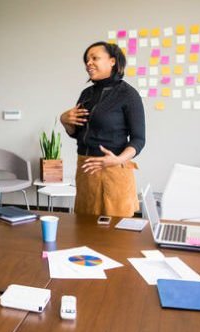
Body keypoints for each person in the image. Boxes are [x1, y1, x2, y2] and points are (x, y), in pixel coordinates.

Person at [59, 41, 145, 217]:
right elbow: (78, 134)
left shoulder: (128, 95)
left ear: (112, 61)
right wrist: (65, 121)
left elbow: (139, 139)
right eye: (86, 60)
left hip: (114, 170)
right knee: (84, 228)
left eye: (94, 58)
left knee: (115, 237)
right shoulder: (86, 94)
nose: (88, 63)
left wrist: (118, 159)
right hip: (85, 170)